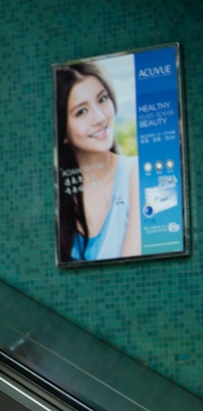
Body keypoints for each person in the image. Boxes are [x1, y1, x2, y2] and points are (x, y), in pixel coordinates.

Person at [55, 62, 141, 262]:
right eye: (81, 112)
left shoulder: (137, 174)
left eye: (102, 99)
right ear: (62, 130)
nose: (100, 118)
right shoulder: (57, 195)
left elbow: (132, 272)